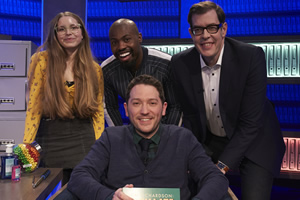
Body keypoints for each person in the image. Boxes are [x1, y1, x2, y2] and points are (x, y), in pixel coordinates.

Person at [171, 1, 285, 200]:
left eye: (212, 27)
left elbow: (251, 124)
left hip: (255, 142)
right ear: (191, 33)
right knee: (188, 188)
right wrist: (191, 158)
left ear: (224, 29)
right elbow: (189, 118)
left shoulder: (250, 56)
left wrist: (220, 168)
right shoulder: (180, 63)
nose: (205, 35)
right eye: (198, 29)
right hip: (212, 141)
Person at [66, 74, 229, 200]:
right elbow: (79, 176)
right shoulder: (111, 138)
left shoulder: (183, 138)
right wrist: (109, 197)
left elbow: (215, 178)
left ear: (163, 108)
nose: (144, 111)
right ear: (126, 108)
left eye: (152, 103)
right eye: (136, 103)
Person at [23, 11, 104, 185]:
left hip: (83, 138)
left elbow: (97, 113)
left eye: (74, 27)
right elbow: (34, 108)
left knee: (82, 190)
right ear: (55, 35)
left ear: (82, 33)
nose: (68, 33)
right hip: (51, 138)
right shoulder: (40, 61)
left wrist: (99, 147)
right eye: (62, 29)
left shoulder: (95, 69)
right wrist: (27, 146)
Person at [101, 18, 181, 127]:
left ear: (139, 38)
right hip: (133, 131)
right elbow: (110, 107)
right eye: (115, 42)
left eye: (127, 39)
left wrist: (169, 138)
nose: (121, 46)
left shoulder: (166, 64)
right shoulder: (107, 70)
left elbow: (176, 106)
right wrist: (119, 137)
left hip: (165, 129)